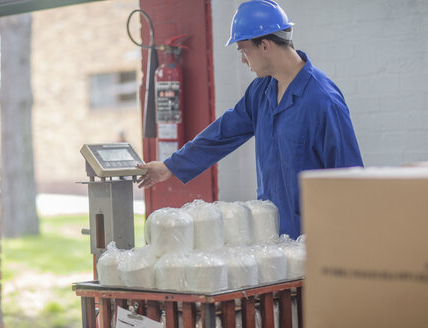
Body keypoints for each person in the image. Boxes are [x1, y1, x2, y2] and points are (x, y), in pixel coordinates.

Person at [137, 0, 363, 239]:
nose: (244, 60)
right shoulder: (262, 91)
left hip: (316, 241)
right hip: (272, 238)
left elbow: (350, 180)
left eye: (244, 50)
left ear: (265, 45)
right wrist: (170, 166)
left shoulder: (322, 100)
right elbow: (223, 132)